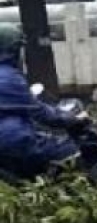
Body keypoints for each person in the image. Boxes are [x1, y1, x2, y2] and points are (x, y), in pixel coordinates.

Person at [0, 26, 89, 179]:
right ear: (13, 50)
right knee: (70, 151)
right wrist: (72, 118)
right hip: (13, 142)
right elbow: (41, 113)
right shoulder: (8, 78)